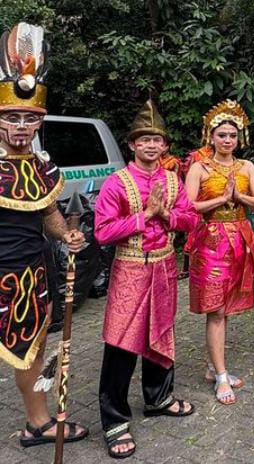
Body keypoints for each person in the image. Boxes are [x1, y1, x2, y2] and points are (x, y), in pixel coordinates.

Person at [0, 22, 89, 450]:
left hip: (32, 275)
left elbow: (49, 212)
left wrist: (67, 236)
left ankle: (38, 423)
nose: (21, 127)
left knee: (31, 350)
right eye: (11, 117)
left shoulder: (40, 167)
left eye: (29, 119)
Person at [95, 100, 197, 458]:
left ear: (165, 146)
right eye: (144, 140)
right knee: (123, 340)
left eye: (157, 140)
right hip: (131, 268)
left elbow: (191, 220)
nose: (151, 145)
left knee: (161, 330)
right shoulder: (117, 183)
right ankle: (114, 419)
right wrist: (145, 216)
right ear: (132, 144)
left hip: (165, 267)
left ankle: (158, 398)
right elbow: (103, 232)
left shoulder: (173, 180)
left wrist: (166, 213)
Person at [185, 100, 254, 405]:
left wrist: (238, 195)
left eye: (232, 134)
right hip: (211, 243)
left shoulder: (246, 167)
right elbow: (188, 206)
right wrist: (221, 199)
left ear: (239, 137)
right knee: (215, 310)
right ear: (211, 136)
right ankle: (221, 376)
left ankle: (212, 366)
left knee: (226, 309)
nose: (228, 140)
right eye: (222, 135)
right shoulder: (199, 167)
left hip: (241, 239)